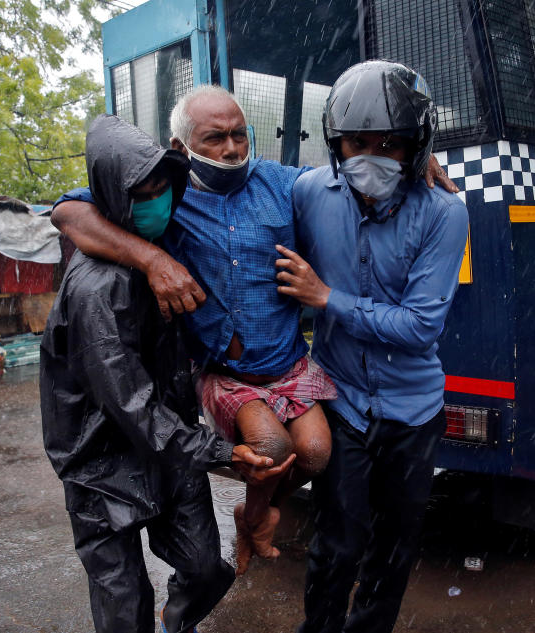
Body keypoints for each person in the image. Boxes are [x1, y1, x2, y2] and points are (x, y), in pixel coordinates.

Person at [51, 86, 341, 574]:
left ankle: (253, 514)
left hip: (286, 362)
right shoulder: (168, 195)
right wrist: (153, 258)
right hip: (223, 369)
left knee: (315, 454)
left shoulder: (283, 184)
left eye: (239, 136)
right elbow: (67, 212)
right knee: (271, 449)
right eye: (215, 139)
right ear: (181, 146)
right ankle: (256, 514)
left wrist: (414, 169)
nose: (231, 149)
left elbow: (342, 185)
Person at [40, 114, 292, 633]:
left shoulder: (170, 230)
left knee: (205, 570)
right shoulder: (97, 290)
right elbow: (129, 404)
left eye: (163, 187)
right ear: (112, 196)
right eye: (143, 192)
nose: (158, 201)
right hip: (101, 459)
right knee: (123, 606)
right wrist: (223, 453)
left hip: (170, 447)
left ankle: (178, 624)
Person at [275, 60, 470, 633]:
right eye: (358, 143)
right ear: (336, 144)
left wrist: (326, 297)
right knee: (337, 546)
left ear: (418, 145)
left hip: (414, 411)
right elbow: (236, 196)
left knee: (395, 550)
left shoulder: (444, 212)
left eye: (392, 145)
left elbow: (419, 328)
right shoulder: (309, 191)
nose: (372, 157)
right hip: (342, 401)